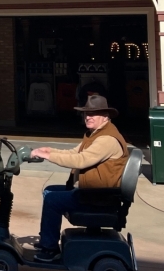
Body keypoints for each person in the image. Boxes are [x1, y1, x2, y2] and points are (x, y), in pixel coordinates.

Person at [29, 95, 129, 262]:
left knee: (53, 200)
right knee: (49, 190)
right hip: (93, 191)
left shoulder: (107, 139)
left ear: (105, 116)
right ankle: (47, 238)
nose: (88, 117)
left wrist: (47, 156)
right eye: (86, 113)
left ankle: (50, 249)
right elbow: (74, 153)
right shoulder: (95, 134)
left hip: (98, 196)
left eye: (93, 114)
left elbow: (80, 161)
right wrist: (48, 151)